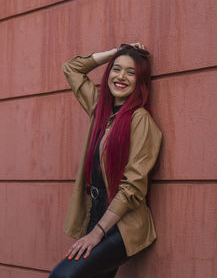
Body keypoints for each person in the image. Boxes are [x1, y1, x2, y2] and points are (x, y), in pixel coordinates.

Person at [49, 43, 162, 278]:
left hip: (122, 224)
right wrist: (114, 53)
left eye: (130, 72)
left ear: (140, 82)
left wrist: (97, 233)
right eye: (116, 69)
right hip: (95, 214)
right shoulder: (99, 108)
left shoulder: (140, 121)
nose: (121, 77)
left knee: (63, 276)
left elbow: (131, 188)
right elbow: (71, 69)